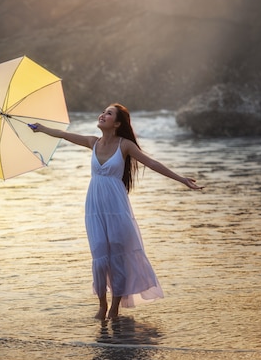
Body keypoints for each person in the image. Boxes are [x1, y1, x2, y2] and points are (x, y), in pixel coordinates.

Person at [29, 103, 203, 320]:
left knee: (119, 256)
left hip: (117, 208)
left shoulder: (125, 145)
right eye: (103, 111)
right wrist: (40, 128)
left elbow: (151, 163)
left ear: (117, 123)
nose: (103, 114)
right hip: (94, 207)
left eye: (108, 113)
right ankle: (102, 305)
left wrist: (182, 179)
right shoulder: (92, 142)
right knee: (100, 255)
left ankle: (114, 308)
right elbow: (64, 135)